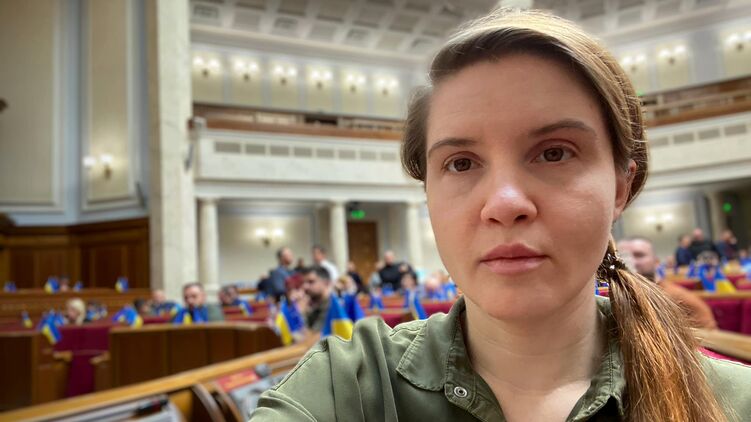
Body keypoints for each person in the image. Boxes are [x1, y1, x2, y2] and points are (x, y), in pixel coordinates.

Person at [252, 8, 750, 421]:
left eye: (554, 153)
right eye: (461, 163)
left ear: (621, 186)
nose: (505, 203)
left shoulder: (732, 402)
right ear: (428, 195)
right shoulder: (348, 387)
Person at [618, 237, 717, 330]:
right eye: (622, 256)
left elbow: (709, 337)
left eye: (639, 255)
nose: (630, 262)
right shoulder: (618, 297)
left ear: (656, 262)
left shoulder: (680, 299)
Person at [299, 266, 333, 332]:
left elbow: (314, 334)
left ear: (326, 283)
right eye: (303, 283)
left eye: (311, 282)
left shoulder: (331, 306)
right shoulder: (315, 305)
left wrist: (301, 313)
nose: (305, 286)